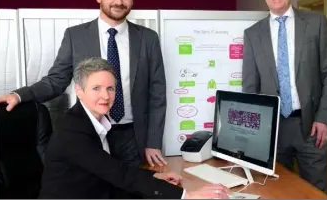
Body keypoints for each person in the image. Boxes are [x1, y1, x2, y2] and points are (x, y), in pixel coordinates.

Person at [0, 0, 167, 167]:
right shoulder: (75, 36)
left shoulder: (148, 39)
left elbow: (157, 93)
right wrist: (19, 95)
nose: (119, 1)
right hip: (89, 134)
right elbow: (56, 81)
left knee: (130, 192)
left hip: (132, 136)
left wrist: (153, 142)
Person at [39, 57, 230, 199]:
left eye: (110, 88)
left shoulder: (96, 120)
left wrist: (156, 175)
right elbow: (118, 174)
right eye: (96, 88)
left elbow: (116, 168)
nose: (105, 96)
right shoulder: (73, 132)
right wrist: (188, 196)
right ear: (79, 91)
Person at [242, 0, 327, 192]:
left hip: (311, 127)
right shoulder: (253, 34)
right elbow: (250, 87)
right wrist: (255, 132)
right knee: (275, 190)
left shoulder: (315, 24)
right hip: (272, 130)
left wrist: (325, 118)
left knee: (314, 191)